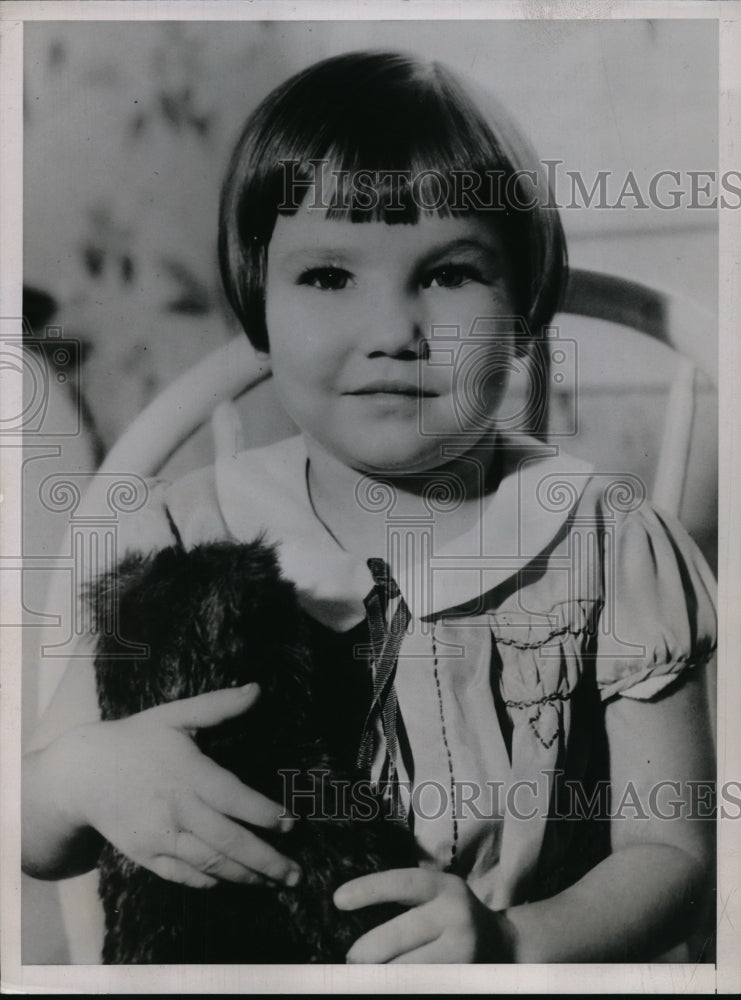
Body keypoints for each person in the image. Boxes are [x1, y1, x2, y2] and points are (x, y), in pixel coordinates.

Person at [22, 50, 716, 963]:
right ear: (258, 302)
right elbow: (35, 832)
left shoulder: (605, 539)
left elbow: (671, 851)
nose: (393, 332)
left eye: (449, 273)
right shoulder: (181, 531)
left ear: (524, 302)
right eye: (327, 278)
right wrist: (81, 777)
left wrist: (513, 944)